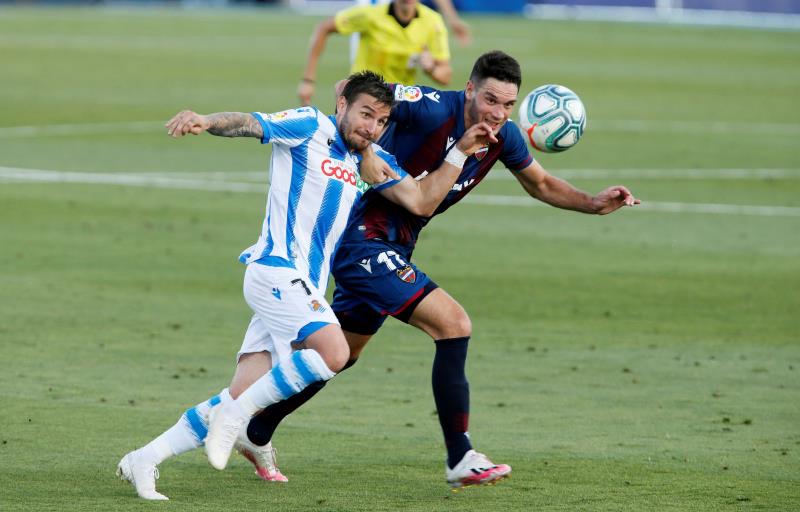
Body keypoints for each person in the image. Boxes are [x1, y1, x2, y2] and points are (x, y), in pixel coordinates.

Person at [246, 50, 641, 489]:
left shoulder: (504, 138)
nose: (497, 113)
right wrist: (368, 151)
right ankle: (461, 456)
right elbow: (346, 89)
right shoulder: (429, 105)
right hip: (360, 238)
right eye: (490, 100)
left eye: (508, 105)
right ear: (469, 89)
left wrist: (592, 203)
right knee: (453, 324)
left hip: (396, 245)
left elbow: (542, 184)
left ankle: (254, 427)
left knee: (342, 355)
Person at [116, 70, 497, 500]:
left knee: (242, 390)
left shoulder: (368, 160)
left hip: (304, 288)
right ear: (342, 106)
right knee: (334, 352)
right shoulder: (309, 125)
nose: (370, 126)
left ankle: (144, 458)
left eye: (380, 121)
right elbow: (249, 122)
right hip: (274, 269)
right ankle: (236, 420)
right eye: (364, 114)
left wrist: (460, 152)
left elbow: (422, 199)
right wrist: (205, 119)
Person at [298, 0, 452, 106]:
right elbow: (324, 27)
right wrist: (308, 80)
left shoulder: (433, 22)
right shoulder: (371, 15)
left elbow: (445, 76)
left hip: (399, 99)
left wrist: (430, 68)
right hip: (363, 93)